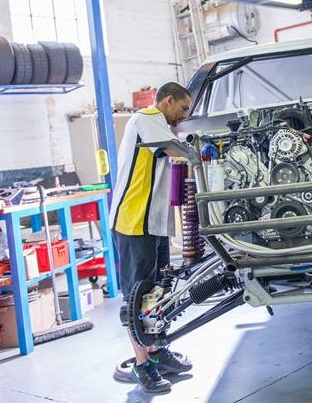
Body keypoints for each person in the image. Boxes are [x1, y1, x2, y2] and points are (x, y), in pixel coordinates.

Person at [109, 82, 193, 393]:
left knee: (156, 292)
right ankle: (142, 365)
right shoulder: (146, 117)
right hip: (133, 223)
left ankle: (157, 353)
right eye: (182, 109)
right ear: (168, 101)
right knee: (135, 297)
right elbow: (179, 152)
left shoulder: (161, 126)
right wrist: (208, 154)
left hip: (154, 224)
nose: (183, 116)